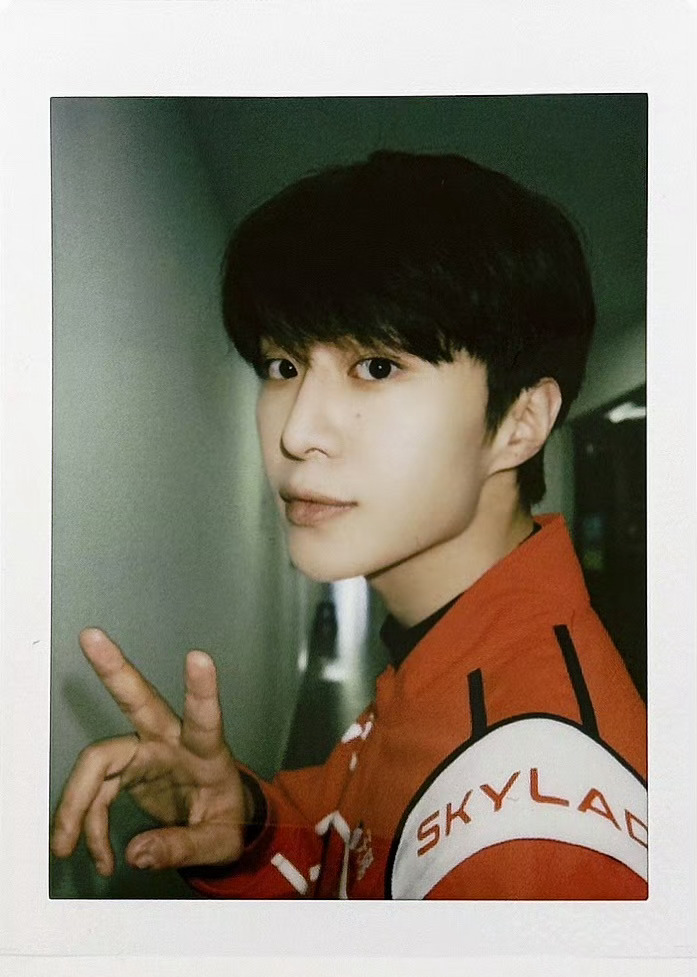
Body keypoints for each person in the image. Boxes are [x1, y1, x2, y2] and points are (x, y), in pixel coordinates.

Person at [51, 150, 647, 899]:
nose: (296, 431)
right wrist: (245, 825)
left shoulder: (534, 845)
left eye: (376, 367)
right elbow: (360, 853)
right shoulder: (450, 649)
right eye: (282, 366)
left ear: (520, 423)